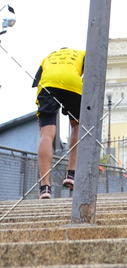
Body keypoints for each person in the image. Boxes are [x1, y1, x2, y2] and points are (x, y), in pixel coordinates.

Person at [33, 47, 85, 199]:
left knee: (46, 134)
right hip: (72, 83)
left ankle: (45, 187)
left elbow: (36, 81)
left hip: (47, 85)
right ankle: (71, 173)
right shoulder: (81, 54)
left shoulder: (48, 57)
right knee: (76, 125)